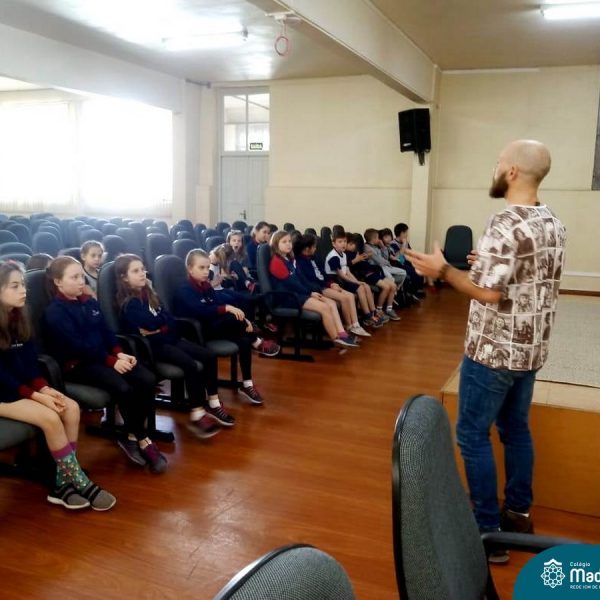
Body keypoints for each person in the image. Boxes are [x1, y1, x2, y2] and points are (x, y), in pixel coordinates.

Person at [406, 139, 566, 563]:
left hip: (492, 352)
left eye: (498, 163)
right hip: (530, 351)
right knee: (516, 430)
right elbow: (524, 273)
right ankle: (518, 515)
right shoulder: (552, 221)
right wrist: (485, 261)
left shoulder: (504, 221)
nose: (494, 169)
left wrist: (443, 270)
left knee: (472, 435)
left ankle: (487, 531)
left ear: (511, 172)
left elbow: (489, 294)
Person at [0, 261, 116, 510]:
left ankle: (62, 480)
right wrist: (36, 396)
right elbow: (2, 377)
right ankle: (79, 480)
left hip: (20, 388)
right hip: (3, 393)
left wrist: (44, 388)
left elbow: (30, 363)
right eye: (14, 286)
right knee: (51, 418)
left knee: (70, 408)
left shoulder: (20, 315)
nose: (23, 290)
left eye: (23, 284)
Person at [43, 256, 168, 474]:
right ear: (58, 282)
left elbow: (106, 332)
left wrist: (119, 353)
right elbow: (78, 347)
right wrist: (111, 361)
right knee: (123, 387)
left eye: (82, 276)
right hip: (78, 365)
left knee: (147, 378)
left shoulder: (89, 302)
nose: (81, 281)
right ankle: (144, 440)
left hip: (102, 358)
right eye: (74, 277)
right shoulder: (55, 312)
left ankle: (132, 436)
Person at [115, 254, 230, 437]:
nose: (142, 273)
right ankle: (197, 413)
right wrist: (160, 324)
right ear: (124, 278)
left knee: (208, 356)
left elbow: (168, 318)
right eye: (135, 271)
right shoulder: (130, 304)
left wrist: (159, 326)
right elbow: (150, 323)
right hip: (153, 347)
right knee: (190, 364)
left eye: (142, 269)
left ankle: (214, 402)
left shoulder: (149, 293)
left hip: (168, 338)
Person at [174, 249, 280, 406]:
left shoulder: (205, 285)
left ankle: (247, 384)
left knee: (244, 340)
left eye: (207, 267)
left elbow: (216, 303)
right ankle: (257, 342)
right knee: (231, 315)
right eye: (201, 268)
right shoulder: (184, 289)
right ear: (190, 269)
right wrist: (228, 309)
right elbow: (201, 311)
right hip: (196, 332)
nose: (206, 272)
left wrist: (244, 320)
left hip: (213, 326)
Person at [269, 230, 359, 349]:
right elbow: (292, 284)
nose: (288, 244)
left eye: (289, 241)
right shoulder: (276, 262)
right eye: (284, 242)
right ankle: (336, 339)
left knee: (330, 302)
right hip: (287, 297)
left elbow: (301, 280)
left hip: (298, 293)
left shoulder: (289, 259)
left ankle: (342, 333)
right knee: (324, 307)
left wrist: (312, 292)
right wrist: (310, 293)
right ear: (276, 244)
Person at [293, 233, 370, 338]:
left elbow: (323, 274)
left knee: (350, 296)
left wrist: (332, 283)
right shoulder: (300, 262)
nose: (316, 249)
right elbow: (311, 280)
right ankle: (349, 327)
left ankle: (355, 325)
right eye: (314, 247)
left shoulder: (314, 258)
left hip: (325, 284)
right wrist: (328, 285)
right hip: (320, 287)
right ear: (307, 248)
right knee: (344, 298)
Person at [324, 231, 384, 328]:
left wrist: (357, 281)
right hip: (336, 281)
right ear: (333, 244)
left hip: (343, 279)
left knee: (365, 286)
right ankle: (368, 316)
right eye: (340, 242)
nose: (343, 244)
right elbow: (341, 275)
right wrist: (356, 283)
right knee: (360, 288)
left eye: (344, 241)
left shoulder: (343, 254)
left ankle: (373, 312)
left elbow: (347, 271)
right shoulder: (333, 256)